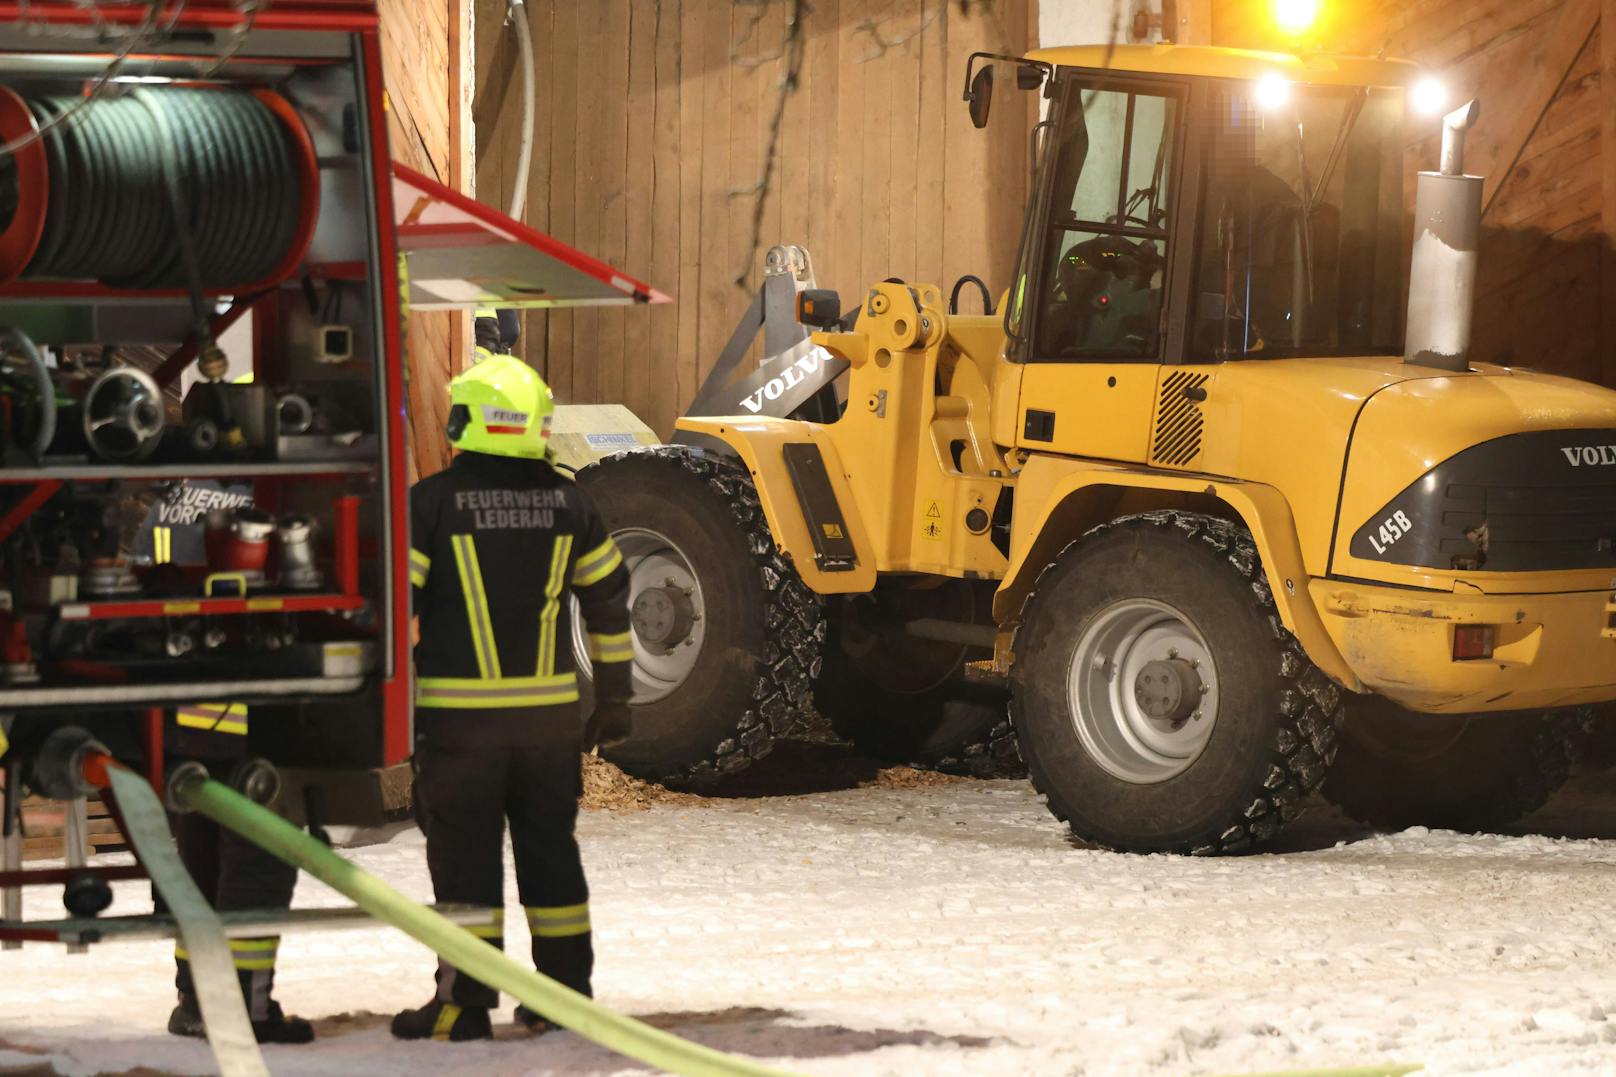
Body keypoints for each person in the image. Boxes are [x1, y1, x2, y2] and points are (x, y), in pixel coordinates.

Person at [391, 354, 633, 1042]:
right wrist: (616, 697)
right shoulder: (571, 504)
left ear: (469, 421)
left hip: (461, 730)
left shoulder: (431, 504)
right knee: (551, 857)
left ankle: (462, 1006)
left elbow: (391, 611)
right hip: (550, 731)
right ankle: (563, 996)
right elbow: (612, 604)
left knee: (464, 865)